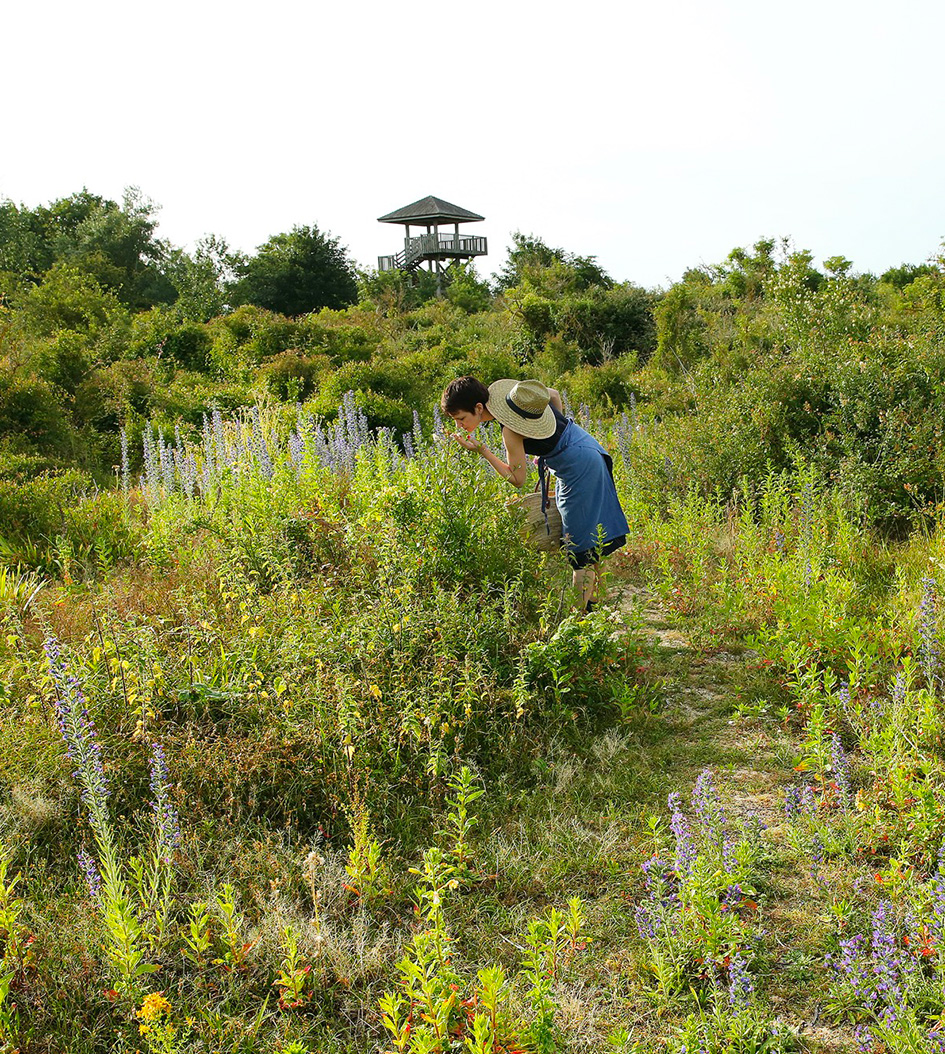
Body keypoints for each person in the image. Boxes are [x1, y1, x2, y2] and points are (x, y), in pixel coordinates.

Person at [441, 376, 628, 610]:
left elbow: (517, 479)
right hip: (585, 445)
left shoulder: (509, 430)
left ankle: (578, 624)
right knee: (591, 535)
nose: (459, 425)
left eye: (461, 419)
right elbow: (554, 394)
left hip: (578, 468)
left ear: (478, 408)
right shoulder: (514, 397)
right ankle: (596, 608)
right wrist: (551, 440)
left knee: (579, 549)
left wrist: (483, 450)